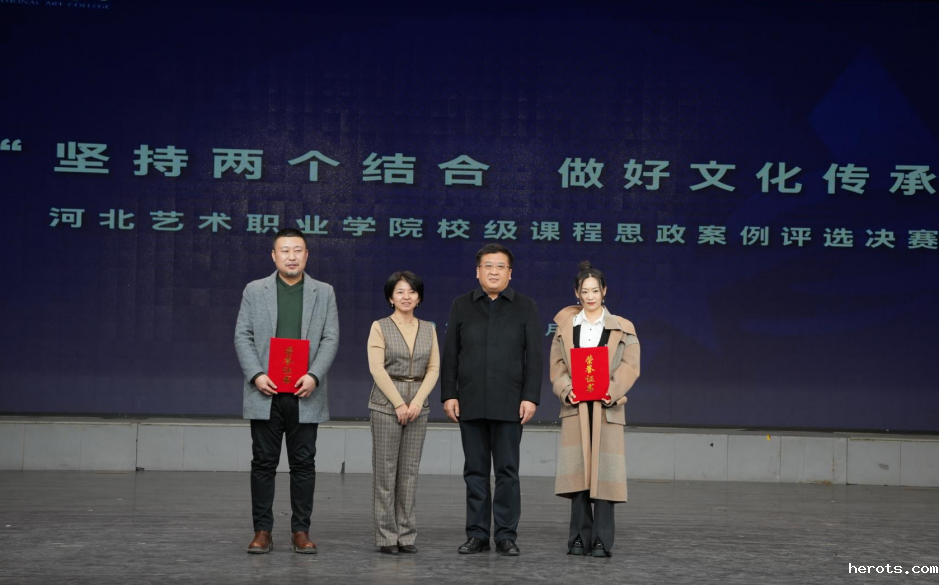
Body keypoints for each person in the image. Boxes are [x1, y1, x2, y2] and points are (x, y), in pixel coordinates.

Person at [234, 228, 339, 554]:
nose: (291, 256)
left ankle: (300, 531)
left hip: (305, 392)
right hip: (265, 392)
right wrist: (256, 375)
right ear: (274, 255)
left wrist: (314, 376)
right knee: (263, 463)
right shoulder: (255, 290)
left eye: (297, 250)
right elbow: (243, 336)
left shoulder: (324, 292)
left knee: (303, 464)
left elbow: (330, 338)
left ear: (306, 255)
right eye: (285, 250)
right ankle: (262, 530)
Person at [441, 243, 543, 557]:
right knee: (475, 471)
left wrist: (530, 397)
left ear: (510, 273)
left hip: (511, 403)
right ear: (478, 271)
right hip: (470, 401)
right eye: (488, 266)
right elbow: (450, 355)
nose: (494, 272)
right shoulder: (462, 305)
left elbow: (534, 357)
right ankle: (477, 535)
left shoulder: (525, 306)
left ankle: (506, 536)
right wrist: (449, 394)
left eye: (500, 266)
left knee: (507, 472)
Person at [549, 261, 640, 558]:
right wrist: (566, 389)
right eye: (584, 291)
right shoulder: (566, 328)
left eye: (595, 291)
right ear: (576, 293)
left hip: (606, 408)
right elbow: (557, 367)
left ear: (604, 292)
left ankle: (601, 539)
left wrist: (611, 390)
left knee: (605, 476)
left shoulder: (622, 328)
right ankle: (578, 537)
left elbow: (630, 367)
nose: (590, 296)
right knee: (578, 476)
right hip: (577, 408)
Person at [367, 271, 440, 555]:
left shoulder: (428, 328)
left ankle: (406, 535)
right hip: (386, 405)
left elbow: (433, 368)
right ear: (390, 297)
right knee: (386, 473)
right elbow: (377, 369)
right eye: (400, 291)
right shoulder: (380, 326)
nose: (406, 296)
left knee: (409, 473)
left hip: (418, 405)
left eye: (412, 291)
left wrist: (418, 402)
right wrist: (399, 403)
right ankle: (387, 536)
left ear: (419, 297)